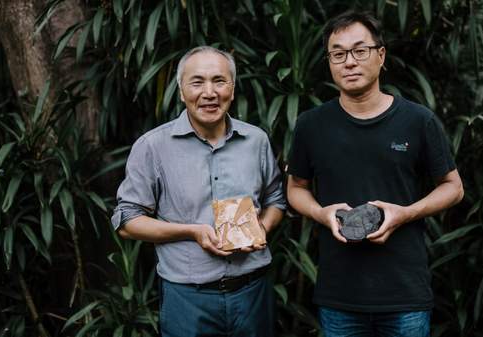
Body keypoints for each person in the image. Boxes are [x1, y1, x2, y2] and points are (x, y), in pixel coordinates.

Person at [286, 10, 464, 337]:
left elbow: (453, 187)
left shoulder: (417, 120)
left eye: (359, 50)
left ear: (381, 55)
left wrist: (406, 213)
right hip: (339, 295)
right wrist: (321, 213)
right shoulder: (311, 125)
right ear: (329, 62)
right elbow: (295, 187)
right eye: (338, 54)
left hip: (404, 294)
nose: (349, 62)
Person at [111, 46, 286, 337]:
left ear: (232, 87)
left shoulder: (256, 140)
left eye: (219, 81)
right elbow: (127, 221)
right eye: (197, 82)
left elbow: (276, 200)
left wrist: (261, 228)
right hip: (187, 299)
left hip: (252, 292)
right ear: (181, 91)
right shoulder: (153, 147)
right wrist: (192, 231)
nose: (209, 92)